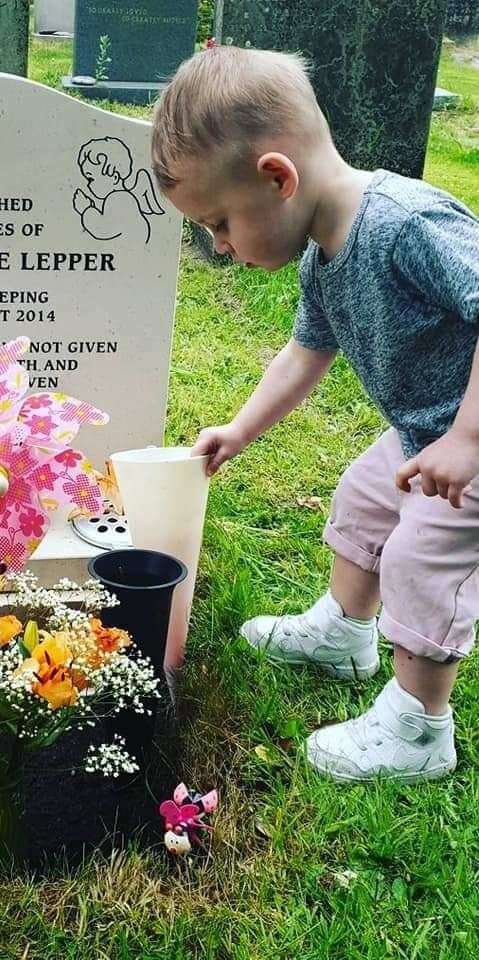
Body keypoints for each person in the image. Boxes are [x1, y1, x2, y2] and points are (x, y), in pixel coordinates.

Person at [151, 44, 479, 783]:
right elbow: (304, 352)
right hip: (426, 432)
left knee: (421, 558)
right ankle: (345, 633)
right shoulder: (324, 256)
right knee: (364, 501)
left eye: (219, 222)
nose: (221, 246)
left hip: (466, 439)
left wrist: (465, 437)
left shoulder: (403, 224)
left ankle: (420, 727)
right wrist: (239, 428)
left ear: (276, 177)